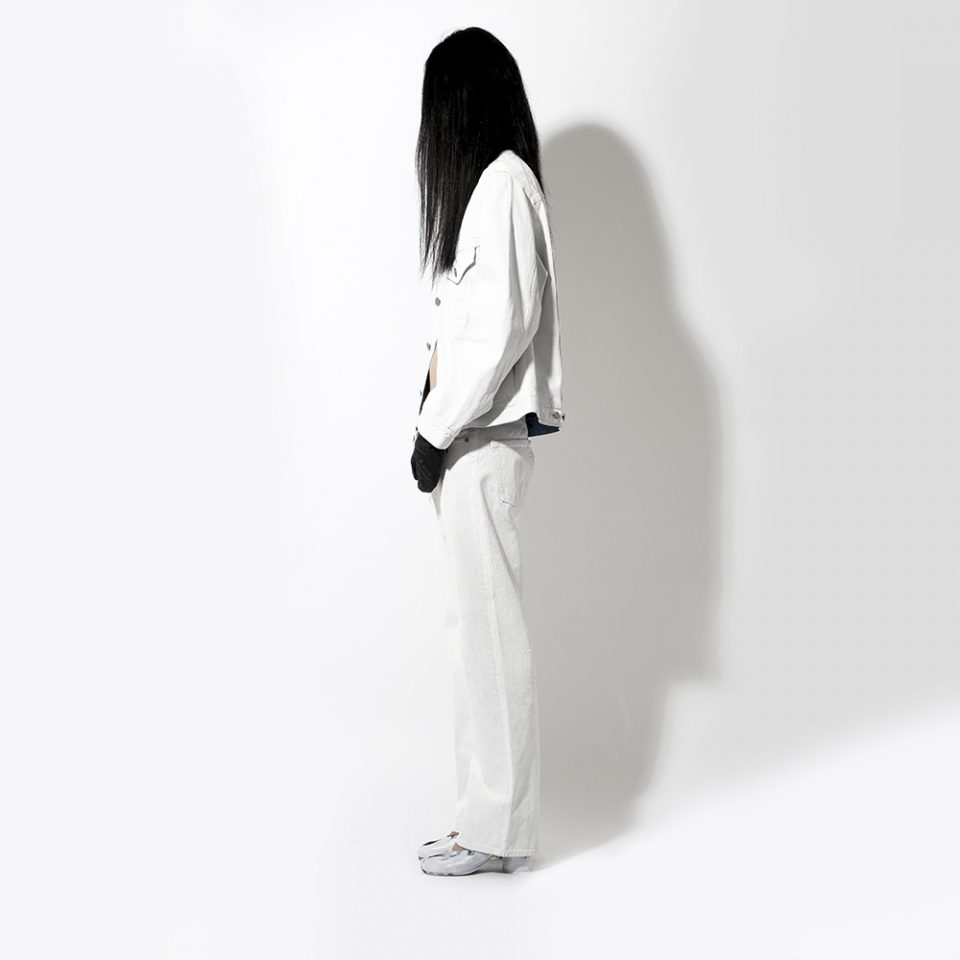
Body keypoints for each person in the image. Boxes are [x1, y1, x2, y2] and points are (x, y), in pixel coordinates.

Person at [409, 27, 565, 877]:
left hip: (481, 440)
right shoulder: (492, 188)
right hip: (468, 442)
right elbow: (466, 326)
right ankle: (482, 820)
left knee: (491, 634)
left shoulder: (503, 184)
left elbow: (499, 327)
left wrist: (433, 432)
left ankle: (498, 832)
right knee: (473, 632)